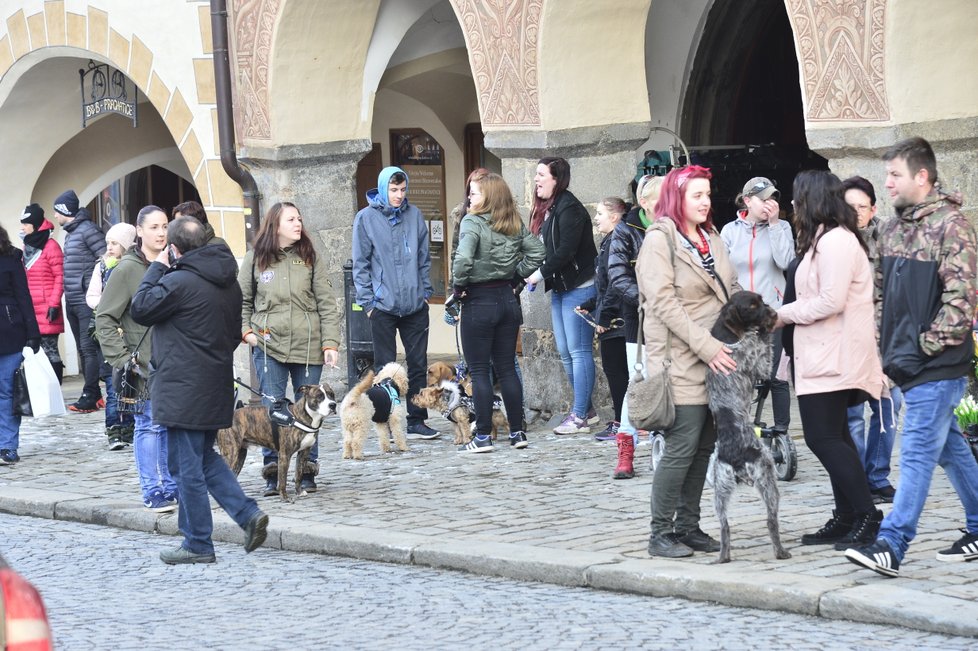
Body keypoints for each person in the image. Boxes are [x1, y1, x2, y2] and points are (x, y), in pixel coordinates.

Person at [845, 137, 978, 577]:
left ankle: (892, 542)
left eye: (895, 174)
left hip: (938, 365)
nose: (888, 183)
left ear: (922, 176)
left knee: (918, 451)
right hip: (906, 362)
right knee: (949, 449)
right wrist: (887, 348)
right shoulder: (893, 228)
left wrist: (920, 349)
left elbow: (962, 303)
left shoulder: (952, 226)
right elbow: (879, 294)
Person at [130, 216, 269, 565]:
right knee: (202, 457)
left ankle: (197, 543)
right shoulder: (228, 283)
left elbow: (141, 308)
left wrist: (157, 268)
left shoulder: (177, 281)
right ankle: (247, 514)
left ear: (174, 249)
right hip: (213, 383)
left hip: (183, 387)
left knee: (185, 466)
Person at [776, 170, 885, 551]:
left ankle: (868, 515)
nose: (792, 205)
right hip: (821, 354)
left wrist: (783, 313)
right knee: (837, 437)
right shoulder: (821, 239)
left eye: (796, 197)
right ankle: (847, 516)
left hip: (834, 356)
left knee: (822, 438)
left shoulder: (836, 241)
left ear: (812, 199)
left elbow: (830, 301)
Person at [637, 165, 739, 558]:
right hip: (681, 358)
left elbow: (730, 288)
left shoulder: (711, 236)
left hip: (718, 358)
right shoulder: (660, 240)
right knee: (682, 444)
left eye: (708, 195)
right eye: (697, 195)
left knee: (704, 446)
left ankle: (688, 526)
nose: (705, 202)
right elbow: (663, 304)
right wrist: (707, 347)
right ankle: (660, 533)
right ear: (677, 198)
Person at [240, 201, 340, 495]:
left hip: (308, 347)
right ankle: (274, 471)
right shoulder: (255, 258)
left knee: (312, 411)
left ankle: (307, 471)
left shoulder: (309, 257)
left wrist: (330, 343)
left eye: (299, 219)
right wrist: (246, 331)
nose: (298, 224)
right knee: (275, 410)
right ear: (275, 225)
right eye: (291, 220)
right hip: (269, 345)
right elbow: (242, 300)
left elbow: (326, 303)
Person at [451, 172, 545, 453]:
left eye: (475, 193)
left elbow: (463, 259)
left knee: (479, 371)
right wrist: (516, 278)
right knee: (506, 369)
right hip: (506, 298)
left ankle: (482, 437)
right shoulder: (513, 222)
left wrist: (458, 287)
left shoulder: (472, 221)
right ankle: (517, 433)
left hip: (479, 299)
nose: (470, 197)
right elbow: (538, 252)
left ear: (489, 197)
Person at [96, 206, 179, 512]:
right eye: (154, 227)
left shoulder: (174, 263)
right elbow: (104, 318)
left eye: (165, 226)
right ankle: (152, 490)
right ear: (139, 231)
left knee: (171, 425)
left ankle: (172, 486)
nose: (161, 233)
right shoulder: (128, 269)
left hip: (174, 361)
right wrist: (121, 358)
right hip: (142, 366)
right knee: (148, 425)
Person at [353, 166, 440, 440]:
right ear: (382, 189)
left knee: (416, 364)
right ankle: (386, 420)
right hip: (383, 304)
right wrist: (368, 302)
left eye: (402, 190)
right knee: (385, 367)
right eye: (393, 190)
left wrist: (425, 291)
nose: (399, 196)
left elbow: (424, 258)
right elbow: (361, 264)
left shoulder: (414, 215)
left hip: (414, 304)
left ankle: (416, 420)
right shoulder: (365, 218)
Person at [524, 157, 599, 435]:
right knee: (566, 354)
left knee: (579, 352)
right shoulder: (549, 208)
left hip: (580, 288)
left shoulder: (570, 209)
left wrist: (537, 275)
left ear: (557, 179)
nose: (536, 179)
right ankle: (587, 411)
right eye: (536, 174)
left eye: (541, 174)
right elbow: (542, 249)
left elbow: (564, 252)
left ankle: (579, 416)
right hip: (561, 288)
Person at [841, 175, 902, 503]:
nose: (856, 213)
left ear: (873, 208)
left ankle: (877, 475)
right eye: (849, 207)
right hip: (847, 340)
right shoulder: (834, 240)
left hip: (885, 338)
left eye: (861, 207)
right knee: (851, 414)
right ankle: (857, 482)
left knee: (889, 404)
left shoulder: (889, 238)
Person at [721, 176, 794, 435]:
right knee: (742, 375)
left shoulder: (782, 226)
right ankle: (742, 426)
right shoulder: (730, 231)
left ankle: (782, 431)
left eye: (772, 199)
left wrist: (774, 225)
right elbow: (722, 271)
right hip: (740, 316)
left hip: (773, 312)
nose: (769, 204)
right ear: (748, 201)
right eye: (763, 199)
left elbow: (786, 262)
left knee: (777, 376)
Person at [609, 175, 663, 479]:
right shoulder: (626, 230)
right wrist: (644, 301)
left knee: (670, 378)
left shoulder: (676, 226)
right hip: (639, 317)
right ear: (644, 202)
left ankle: (664, 438)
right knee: (638, 382)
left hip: (672, 316)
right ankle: (626, 447)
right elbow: (617, 274)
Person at [577, 198, 628, 442]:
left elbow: (617, 286)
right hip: (613, 315)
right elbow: (605, 284)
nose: (596, 218)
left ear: (615, 216)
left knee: (618, 373)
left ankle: (622, 422)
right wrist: (590, 305)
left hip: (617, 321)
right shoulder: (610, 241)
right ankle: (624, 420)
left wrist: (604, 316)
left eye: (600, 213)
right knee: (618, 372)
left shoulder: (617, 241)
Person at [53, 190, 106, 412]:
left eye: (57, 211)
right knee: (83, 349)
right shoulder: (71, 233)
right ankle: (93, 394)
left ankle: (91, 394)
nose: (55, 216)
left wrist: (90, 287)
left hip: (85, 301)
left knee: (88, 348)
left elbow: (106, 258)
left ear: (66, 210)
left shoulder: (87, 230)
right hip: (73, 299)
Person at [87, 222, 138, 450]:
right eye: (108, 243)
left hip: (130, 332)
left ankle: (130, 429)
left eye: (115, 243)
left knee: (131, 383)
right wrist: (108, 304)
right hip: (107, 331)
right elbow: (91, 296)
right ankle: (114, 431)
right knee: (112, 383)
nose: (109, 247)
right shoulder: (102, 267)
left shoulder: (134, 267)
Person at [0, 225, 41, 465]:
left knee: (6, 392)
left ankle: (7, 446)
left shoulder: (11, 257)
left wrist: (33, 333)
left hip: (10, 333)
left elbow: (23, 296)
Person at [19, 203, 65, 383]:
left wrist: (54, 304)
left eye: (25, 223)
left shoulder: (51, 246)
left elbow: (60, 277)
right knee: (35, 350)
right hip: (31, 308)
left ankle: (56, 391)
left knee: (50, 349)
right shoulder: (27, 245)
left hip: (47, 308)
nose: (22, 227)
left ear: (35, 224)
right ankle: (41, 391)